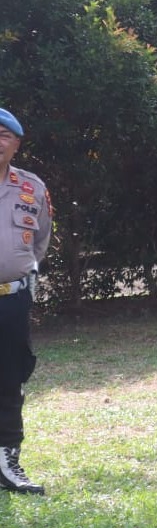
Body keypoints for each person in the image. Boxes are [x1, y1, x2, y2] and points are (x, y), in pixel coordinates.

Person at [0, 106, 51, 495]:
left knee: (10, 378)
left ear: (16, 144)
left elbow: (41, 239)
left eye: (4, 136)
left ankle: (6, 462)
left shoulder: (31, 188)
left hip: (11, 301)